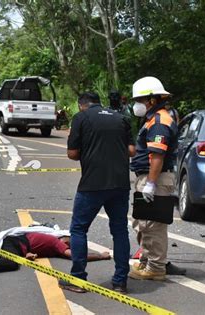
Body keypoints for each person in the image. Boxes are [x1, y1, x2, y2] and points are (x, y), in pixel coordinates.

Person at [61, 92, 136, 294]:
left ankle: (78, 280)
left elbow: (72, 153)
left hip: (92, 184)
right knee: (119, 230)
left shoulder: (81, 118)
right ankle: (120, 281)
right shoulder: (121, 118)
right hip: (120, 184)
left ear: (81, 105)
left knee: (78, 229)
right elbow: (131, 150)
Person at [129, 76, 184, 280]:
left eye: (140, 101)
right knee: (143, 223)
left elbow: (157, 157)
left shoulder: (160, 122)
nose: (137, 105)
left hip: (156, 179)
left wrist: (151, 184)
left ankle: (156, 267)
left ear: (151, 100)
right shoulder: (153, 119)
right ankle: (146, 261)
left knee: (153, 225)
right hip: (149, 177)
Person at [0, 233, 111, 276]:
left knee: (11, 261)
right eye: (71, 244)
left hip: (18, 244)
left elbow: (32, 242)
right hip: (14, 243)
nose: (69, 247)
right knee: (10, 262)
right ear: (66, 239)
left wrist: (27, 254)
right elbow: (75, 256)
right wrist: (101, 256)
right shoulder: (57, 242)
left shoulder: (53, 244)